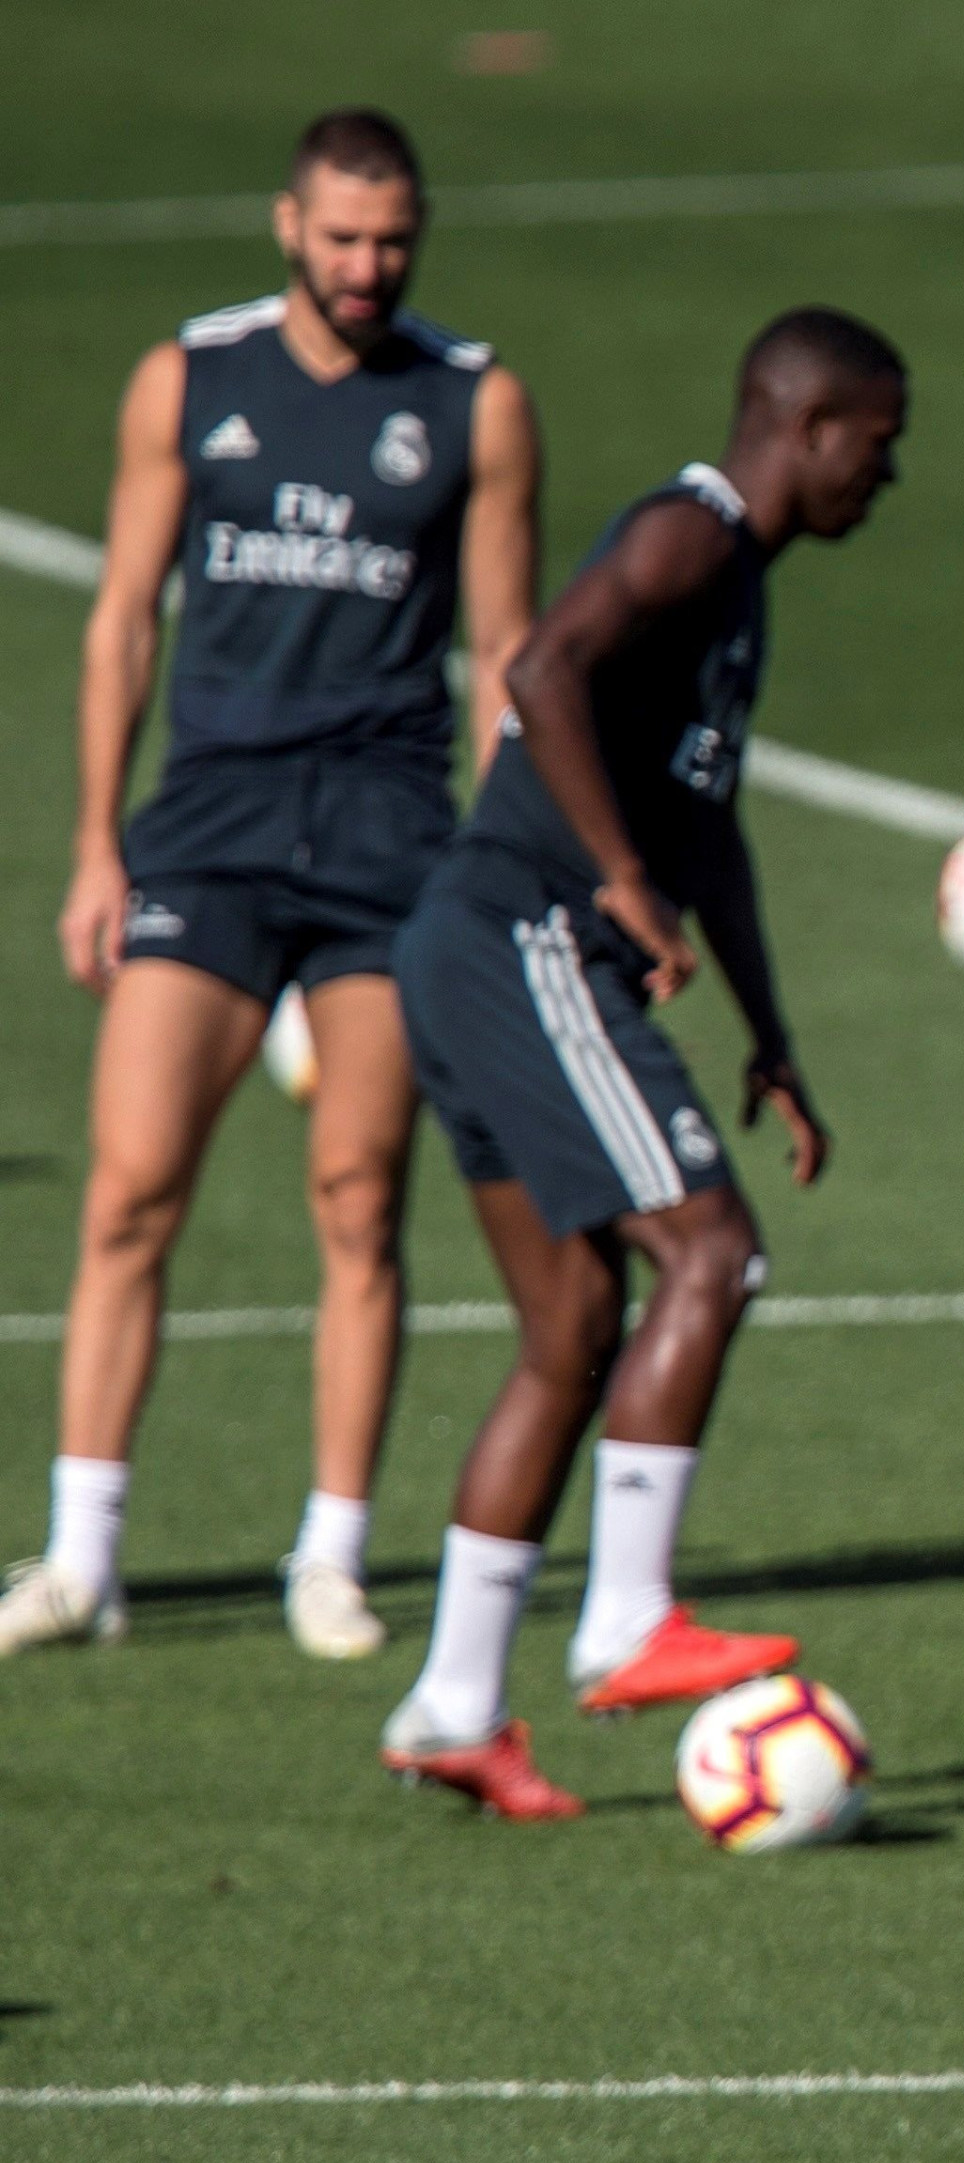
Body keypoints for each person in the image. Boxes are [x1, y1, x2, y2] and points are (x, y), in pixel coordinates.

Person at [6, 107, 539, 1665]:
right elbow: (123, 621)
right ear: (287, 228)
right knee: (130, 1192)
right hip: (209, 836)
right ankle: (80, 1555)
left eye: (394, 241)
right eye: (344, 239)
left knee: (360, 1200)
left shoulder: (475, 403)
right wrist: (98, 842)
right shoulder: (190, 381)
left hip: (387, 846)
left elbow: (506, 656)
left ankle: (330, 1555)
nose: (369, 267)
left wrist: (507, 858)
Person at [371, 308, 907, 1820]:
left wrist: (772, 1037)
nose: (891, 474)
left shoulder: (736, 586)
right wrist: (614, 874)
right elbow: (539, 672)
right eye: (882, 443)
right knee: (711, 1253)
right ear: (810, 431)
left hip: (479, 951)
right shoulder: (692, 533)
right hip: (524, 935)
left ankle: (453, 1706)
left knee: (569, 1330)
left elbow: (712, 832)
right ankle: (626, 1612)